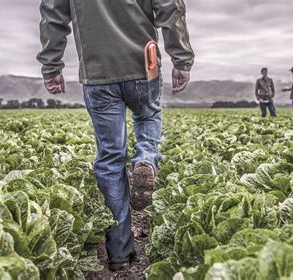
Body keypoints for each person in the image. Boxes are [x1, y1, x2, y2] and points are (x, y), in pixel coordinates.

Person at [36, 0, 194, 272]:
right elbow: (170, 7)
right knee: (147, 116)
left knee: (110, 160)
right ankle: (145, 158)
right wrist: (182, 59)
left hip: (98, 72)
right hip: (144, 63)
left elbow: (53, 13)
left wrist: (51, 66)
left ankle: (119, 254)